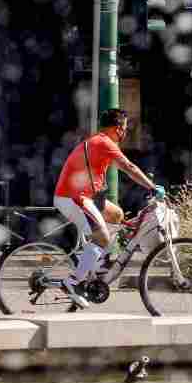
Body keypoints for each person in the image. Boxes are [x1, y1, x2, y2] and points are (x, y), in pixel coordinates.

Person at [53, 108, 163, 308]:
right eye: (124, 128)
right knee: (102, 237)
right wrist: (152, 187)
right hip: (74, 197)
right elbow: (129, 167)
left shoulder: (99, 141)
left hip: (85, 196)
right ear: (118, 128)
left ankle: (96, 263)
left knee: (118, 214)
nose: (125, 132)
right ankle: (73, 281)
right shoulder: (105, 143)